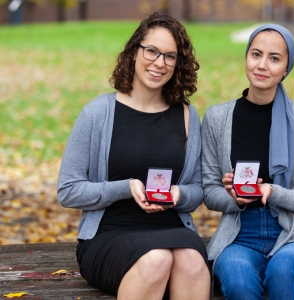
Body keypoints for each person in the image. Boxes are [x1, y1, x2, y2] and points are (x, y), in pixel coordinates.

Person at [57, 12, 210, 300]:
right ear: (134, 51)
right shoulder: (98, 113)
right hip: (110, 233)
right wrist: (125, 187)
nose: (159, 63)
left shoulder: (188, 116)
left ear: (179, 64)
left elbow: (198, 190)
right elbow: (68, 191)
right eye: (151, 51)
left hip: (173, 229)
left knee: (192, 261)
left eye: (170, 56)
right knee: (156, 259)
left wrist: (178, 194)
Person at [201, 24, 294, 300]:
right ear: (246, 58)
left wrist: (273, 191)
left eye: (274, 58)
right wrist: (234, 198)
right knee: (237, 279)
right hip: (239, 236)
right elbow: (209, 191)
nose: (262, 65)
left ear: (286, 68)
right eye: (256, 54)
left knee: (283, 269)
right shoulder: (217, 118)